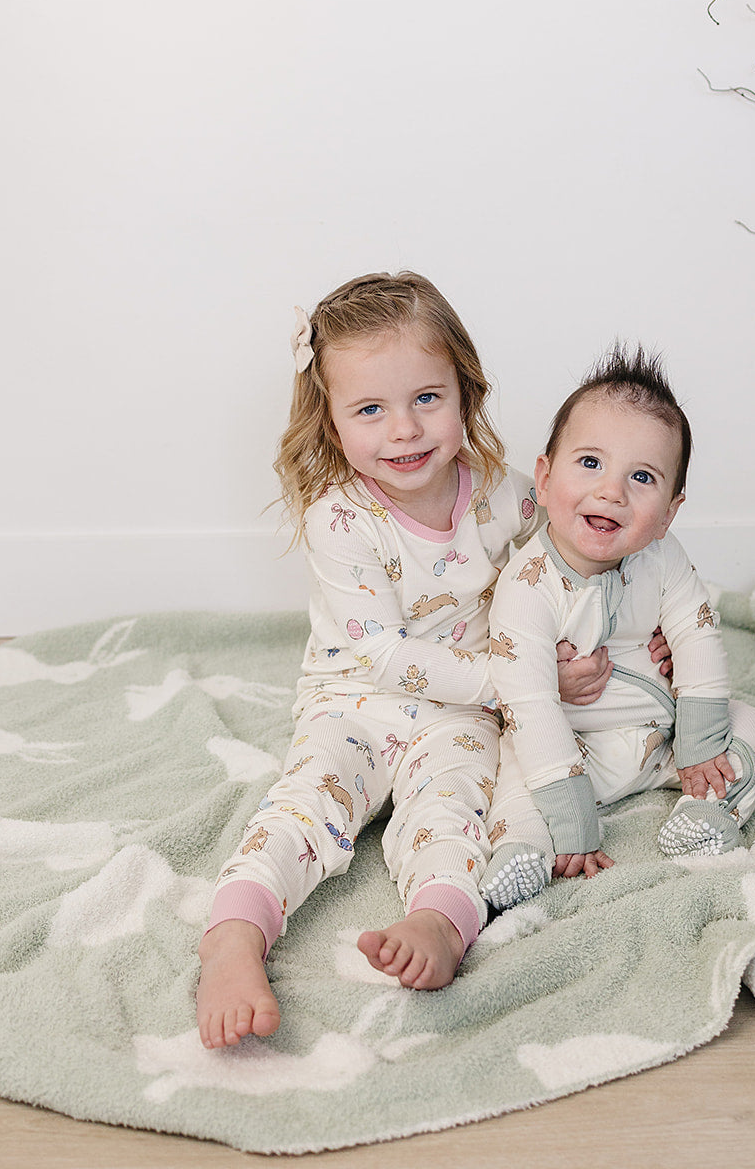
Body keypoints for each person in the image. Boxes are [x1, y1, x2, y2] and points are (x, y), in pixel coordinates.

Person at [196, 272, 617, 1049]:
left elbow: (566, 570)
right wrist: (520, 684)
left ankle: (440, 921)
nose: (404, 430)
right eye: (369, 409)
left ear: (465, 393)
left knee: (452, 812)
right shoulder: (340, 519)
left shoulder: (506, 496)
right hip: (354, 701)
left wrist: (622, 636)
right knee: (305, 804)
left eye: (427, 398)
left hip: (463, 714)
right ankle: (234, 937)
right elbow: (381, 653)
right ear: (330, 421)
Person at [481, 343, 755, 911]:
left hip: (665, 741)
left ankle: (706, 809)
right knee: (514, 766)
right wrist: (573, 818)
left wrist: (699, 743)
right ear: (544, 479)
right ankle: (525, 848)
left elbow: (697, 632)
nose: (611, 491)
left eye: (641, 477)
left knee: (751, 723)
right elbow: (532, 705)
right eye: (590, 463)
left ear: (669, 512)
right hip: (574, 750)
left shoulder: (662, 557)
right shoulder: (527, 586)